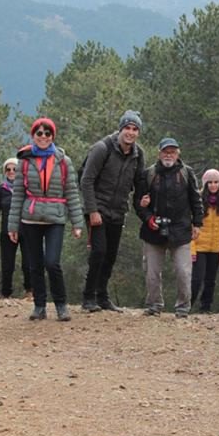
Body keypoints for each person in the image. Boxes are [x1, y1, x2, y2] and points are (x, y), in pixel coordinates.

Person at [8, 117, 84, 321]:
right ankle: (39, 306)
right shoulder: (24, 161)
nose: (43, 137)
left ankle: (61, 305)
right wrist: (12, 225)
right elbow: (17, 195)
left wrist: (77, 223)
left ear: (53, 136)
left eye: (47, 133)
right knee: (34, 264)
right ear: (33, 135)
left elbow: (72, 193)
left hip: (55, 218)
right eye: (39, 133)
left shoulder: (63, 162)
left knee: (52, 262)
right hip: (30, 218)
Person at [79, 110, 146, 312]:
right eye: (127, 127)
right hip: (97, 208)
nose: (131, 132)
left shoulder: (138, 154)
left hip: (118, 211)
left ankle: (102, 296)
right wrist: (92, 210)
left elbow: (139, 183)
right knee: (98, 252)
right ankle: (88, 297)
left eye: (135, 129)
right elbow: (86, 180)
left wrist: (144, 202)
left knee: (110, 255)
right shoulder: (102, 148)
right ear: (120, 129)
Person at [135, 137, 203, 318]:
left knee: (183, 271)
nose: (169, 155)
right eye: (166, 151)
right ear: (159, 153)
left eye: (172, 152)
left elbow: (196, 200)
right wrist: (148, 217)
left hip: (181, 230)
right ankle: (154, 305)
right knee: (151, 273)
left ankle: (183, 307)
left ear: (178, 154)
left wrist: (197, 223)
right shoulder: (149, 174)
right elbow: (138, 203)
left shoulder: (187, 173)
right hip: (153, 231)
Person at [0, 157, 31, 298]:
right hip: (7, 231)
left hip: (27, 230)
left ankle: (30, 291)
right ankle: (6, 294)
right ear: (5, 172)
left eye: (14, 169)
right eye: (8, 169)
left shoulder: (28, 188)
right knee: (7, 264)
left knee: (28, 263)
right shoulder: (0, 190)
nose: (11, 172)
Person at [190, 168, 219, 312]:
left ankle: (205, 307)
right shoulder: (197, 199)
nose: (213, 185)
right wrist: (192, 248)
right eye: (210, 183)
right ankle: (186, 305)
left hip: (216, 247)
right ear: (205, 184)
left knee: (210, 280)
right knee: (196, 278)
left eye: (216, 182)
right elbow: (192, 225)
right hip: (199, 246)